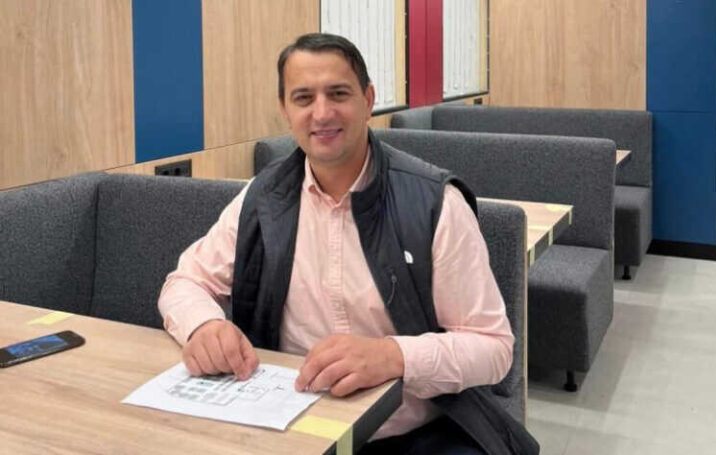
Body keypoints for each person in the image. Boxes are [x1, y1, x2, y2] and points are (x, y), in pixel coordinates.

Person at [158, 33, 538, 455]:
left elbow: (493, 348)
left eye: (338, 94)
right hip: (292, 428)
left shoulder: (435, 204)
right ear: (285, 110)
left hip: (412, 434)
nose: (322, 113)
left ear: (368, 100)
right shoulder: (262, 200)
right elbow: (184, 282)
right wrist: (204, 326)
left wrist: (393, 357)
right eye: (303, 98)